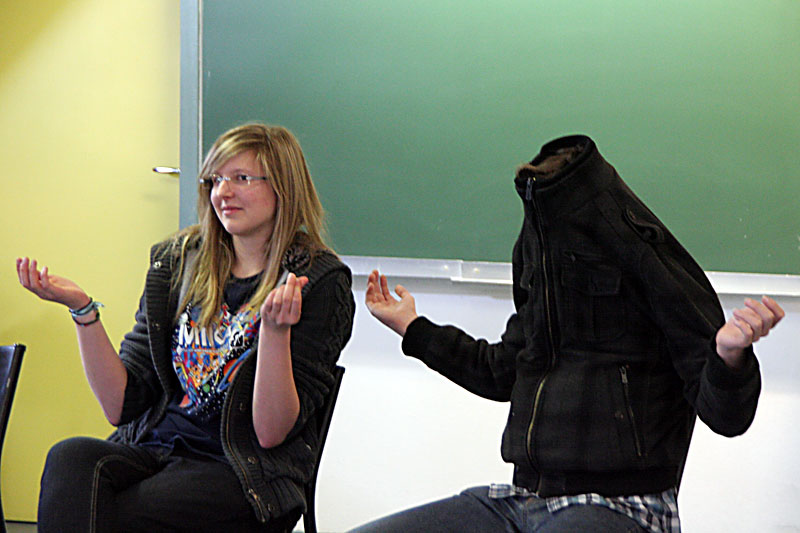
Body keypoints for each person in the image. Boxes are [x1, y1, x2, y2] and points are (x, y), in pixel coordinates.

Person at [351, 135, 784, 533]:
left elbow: (726, 416)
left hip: (624, 506)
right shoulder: (536, 248)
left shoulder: (639, 247)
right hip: (522, 499)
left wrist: (729, 357)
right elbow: (502, 371)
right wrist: (412, 327)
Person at [17, 123, 355, 532]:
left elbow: (269, 433)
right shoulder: (177, 261)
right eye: (215, 180)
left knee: (111, 515)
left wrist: (275, 333)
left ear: (283, 186)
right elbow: (121, 406)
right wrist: (82, 310)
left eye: (241, 178)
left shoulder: (317, 281)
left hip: (243, 470)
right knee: (70, 458)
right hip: (155, 449)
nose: (223, 192)